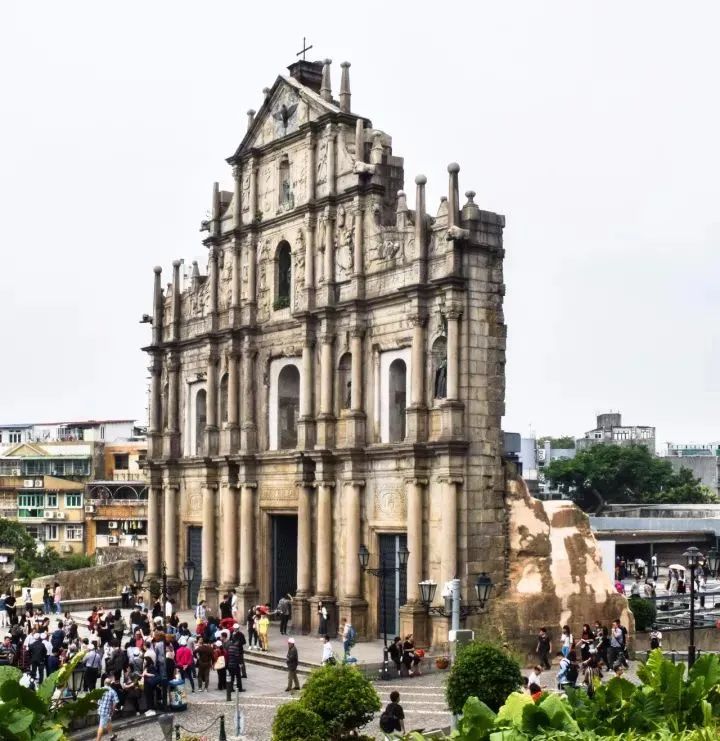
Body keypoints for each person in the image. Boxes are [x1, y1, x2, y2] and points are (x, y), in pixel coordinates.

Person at [225, 630, 246, 699]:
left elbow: (227, 656)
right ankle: (239, 688)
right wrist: (240, 663)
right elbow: (237, 657)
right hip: (235, 665)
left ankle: (231, 689)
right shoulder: (236, 648)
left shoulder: (229, 648)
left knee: (232, 677)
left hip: (230, 664)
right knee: (238, 677)